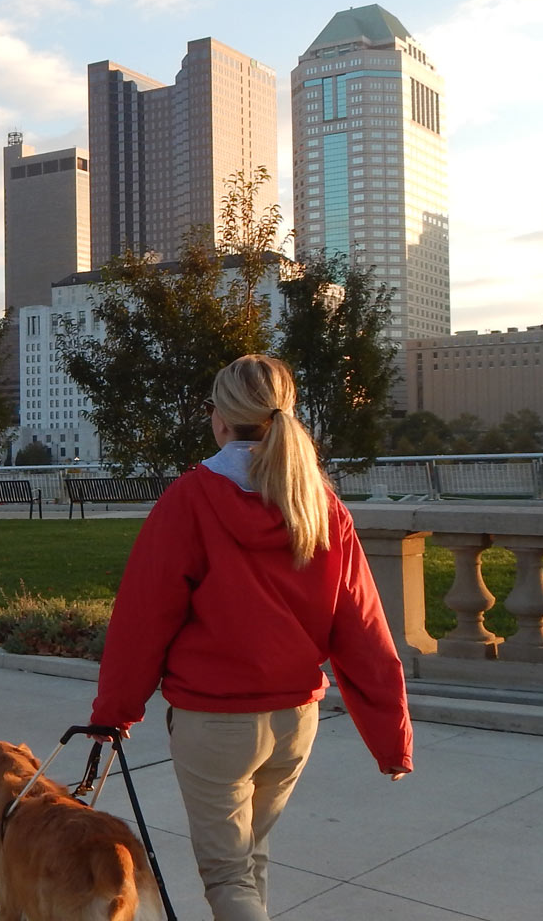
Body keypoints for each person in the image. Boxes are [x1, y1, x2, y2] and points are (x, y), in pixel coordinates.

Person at [88, 354, 412, 921]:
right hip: (294, 720)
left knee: (229, 876)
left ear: (219, 419)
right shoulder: (320, 505)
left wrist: (113, 712)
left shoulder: (190, 500)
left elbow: (142, 619)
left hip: (214, 721)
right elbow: (362, 626)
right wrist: (391, 737)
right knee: (250, 859)